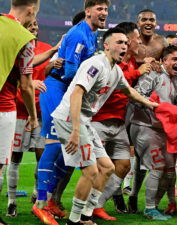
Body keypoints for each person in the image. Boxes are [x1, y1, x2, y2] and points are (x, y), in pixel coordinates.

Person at [51, 27, 157, 225]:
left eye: (125, 43)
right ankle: (73, 221)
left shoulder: (115, 70)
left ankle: (86, 215)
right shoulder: (95, 65)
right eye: (119, 42)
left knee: (107, 168)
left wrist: (151, 104)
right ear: (106, 45)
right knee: (90, 171)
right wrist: (75, 130)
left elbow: (129, 92)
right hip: (69, 118)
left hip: (84, 119)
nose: (124, 46)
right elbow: (76, 93)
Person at [34, 1, 110, 223]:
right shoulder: (79, 34)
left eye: (106, 9)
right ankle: (40, 204)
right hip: (56, 90)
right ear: (88, 11)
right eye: (99, 9)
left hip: (63, 91)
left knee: (65, 150)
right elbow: (70, 72)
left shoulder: (90, 34)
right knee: (54, 144)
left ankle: (48, 200)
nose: (104, 13)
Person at [90, 21, 151, 221]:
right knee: (93, 169)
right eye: (134, 38)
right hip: (98, 119)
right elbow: (115, 84)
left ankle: (97, 205)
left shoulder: (130, 62)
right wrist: (137, 73)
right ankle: (58, 203)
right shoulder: (103, 61)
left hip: (118, 122)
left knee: (123, 165)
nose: (137, 42)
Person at [128, 45, 177, 221]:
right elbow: (135, 95)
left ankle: (153, 203)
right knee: (157, 166)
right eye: (174, 59)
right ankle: (149, 208)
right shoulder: (153, 74)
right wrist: (151, 105)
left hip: (162, 130)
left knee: (169, 170)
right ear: (164, 61)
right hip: (144, 126)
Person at [6, 18, 53, 217]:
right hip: (19, 111)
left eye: (36, 25)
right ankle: (12, 201)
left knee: (42, 158)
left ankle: (37, 195)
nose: (34, 28)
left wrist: (52, 67)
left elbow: (52, 78)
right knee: (15, 157)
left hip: (41, 113)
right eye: (29, 25)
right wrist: (30, 82)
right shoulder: (13, 48)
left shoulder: (47, 48)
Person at [0, 0, 40, 224]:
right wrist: (33, 118)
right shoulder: (25, 38)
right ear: (31, 10)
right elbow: (26, 86)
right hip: (3, 107)